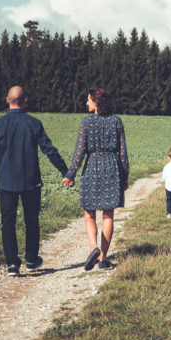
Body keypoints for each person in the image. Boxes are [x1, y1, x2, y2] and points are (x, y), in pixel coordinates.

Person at [0, 86, 69, 276]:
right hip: (31, 182)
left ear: (8, 100)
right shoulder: (34, 123)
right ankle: (31, 259)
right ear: (25, 101)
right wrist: (65, 171)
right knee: (31, 220)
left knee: (8, 222)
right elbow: (49, 150)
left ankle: (12, 264)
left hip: (6, 183)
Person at [62, 87, 129, 271]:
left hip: (92, 167)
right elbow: (122, 152)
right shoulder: (117, 121)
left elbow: (79, 151)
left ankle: (93, 248)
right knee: (108, 214)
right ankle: (103, 259)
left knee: (89, 213)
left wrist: (70, 175)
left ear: (96, 102)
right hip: (111, 167)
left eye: (89, 100)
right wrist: (125, 176)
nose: (86, 103)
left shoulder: (86, 122)